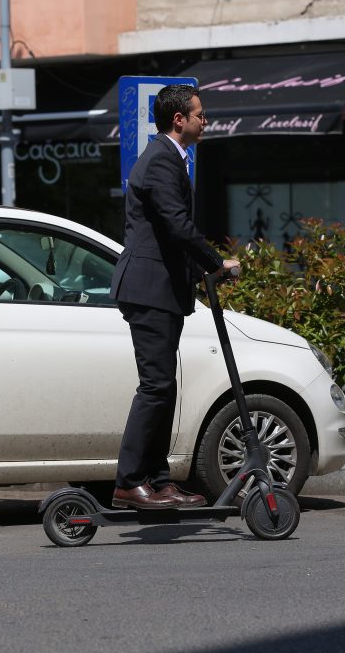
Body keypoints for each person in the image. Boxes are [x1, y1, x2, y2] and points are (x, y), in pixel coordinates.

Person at [110, 84, 241, 510]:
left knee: (165, 388)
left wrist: (202, 269)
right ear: (179, 119)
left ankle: (159, 481)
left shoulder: (171, 158)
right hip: (149, 289)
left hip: (161, 290)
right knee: (155, 387)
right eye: (200, 114)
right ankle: (130, 482)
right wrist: (216, 262)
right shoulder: (162, 160)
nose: (206, 121)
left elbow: (171, 231)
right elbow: (177, 224)